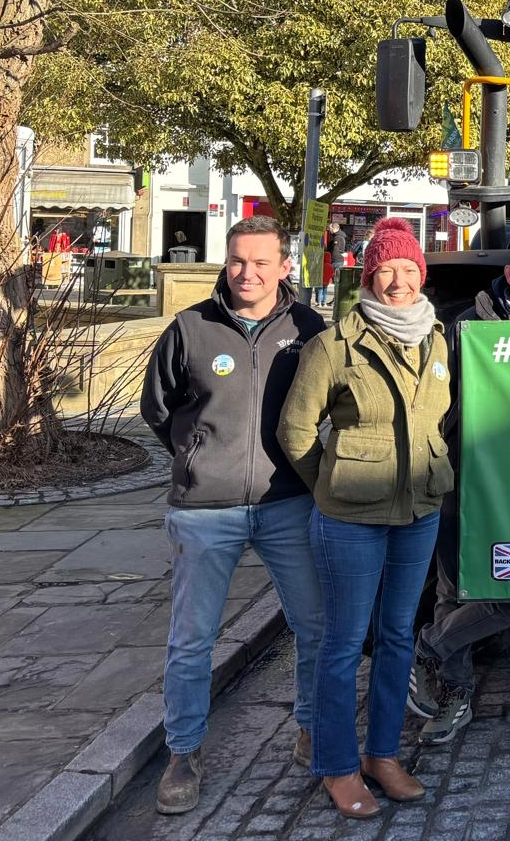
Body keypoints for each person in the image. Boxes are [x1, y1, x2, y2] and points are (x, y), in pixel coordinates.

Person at [139, 215, 328, 815]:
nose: (248, 273)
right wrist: (199, 458)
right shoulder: (190, 328)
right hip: (204, 511)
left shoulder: (307, 327)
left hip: (286, 505)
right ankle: (183, 752)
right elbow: (158, 409)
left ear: (285, 266)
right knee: (192, 641)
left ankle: (310, 730)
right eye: (238, 261)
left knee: (316, 628)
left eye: (261, 262)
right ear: (227, 263)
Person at [277, 217, 452, 819]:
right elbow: (296, 430)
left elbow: (436, 420)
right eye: (387, 269)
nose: (399, 281)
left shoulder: (436, 339)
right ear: (369, 274)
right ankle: (337, 766)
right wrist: (332, 483)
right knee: (343, 642)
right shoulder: (334, 345)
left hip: (419, 511)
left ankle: (383, 755)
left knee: (400, 637)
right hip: (350, 518)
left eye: (409, 269)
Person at [406, 236, 510, 744]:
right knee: (454, 588)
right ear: (508, 271)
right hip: (467, 479)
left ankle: (428, 647)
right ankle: (454, 696)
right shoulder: (465, 326)